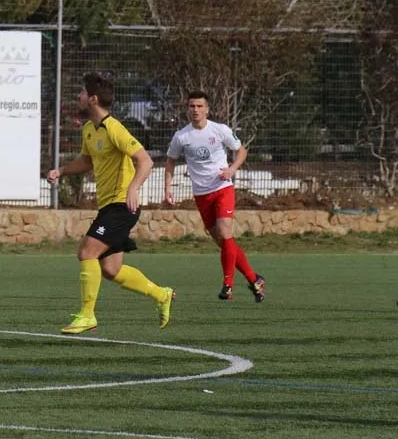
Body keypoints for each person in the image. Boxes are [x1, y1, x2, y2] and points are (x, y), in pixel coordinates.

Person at [47, 73, 175, 334]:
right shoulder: (89, 129)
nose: (79, 96)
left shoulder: (113, 128)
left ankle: (87, 315)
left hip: (122, 206)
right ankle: (161, 294)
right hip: (108, 206)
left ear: (93, 99)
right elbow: (87, 161)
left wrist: (133, 188)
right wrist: (62, 170)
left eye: (83, 93)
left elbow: (145, 160)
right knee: (111, 269)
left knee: (87, 252)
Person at [164, 91, 266, 302]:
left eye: (199, 106)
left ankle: (228, 285)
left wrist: (232, 169)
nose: (195, 110)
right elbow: (170, 161)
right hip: (201, 195)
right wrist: (167, 188)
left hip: (222, 188)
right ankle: (254, 279)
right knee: (224, 242)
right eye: (192, 106)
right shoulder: (181, 136)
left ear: (207, 110)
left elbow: (241, 151)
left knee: (224, 231)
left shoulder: (220, 130)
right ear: (188, 109)